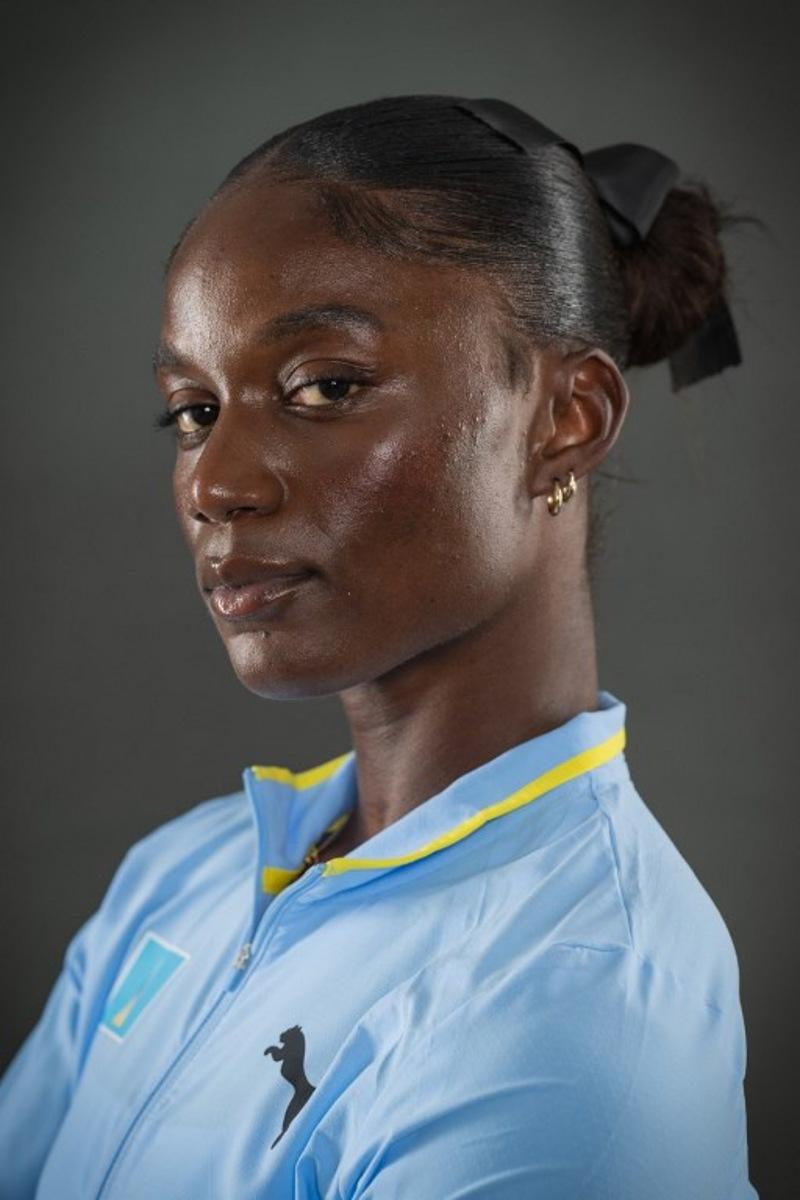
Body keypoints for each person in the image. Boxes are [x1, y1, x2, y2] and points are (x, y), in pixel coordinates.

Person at [0, 94, 757, 1198]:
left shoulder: (573, 1017)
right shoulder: (184, 876)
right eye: (194, 410)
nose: (215, 483)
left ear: (566, 418)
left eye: (324, 386)